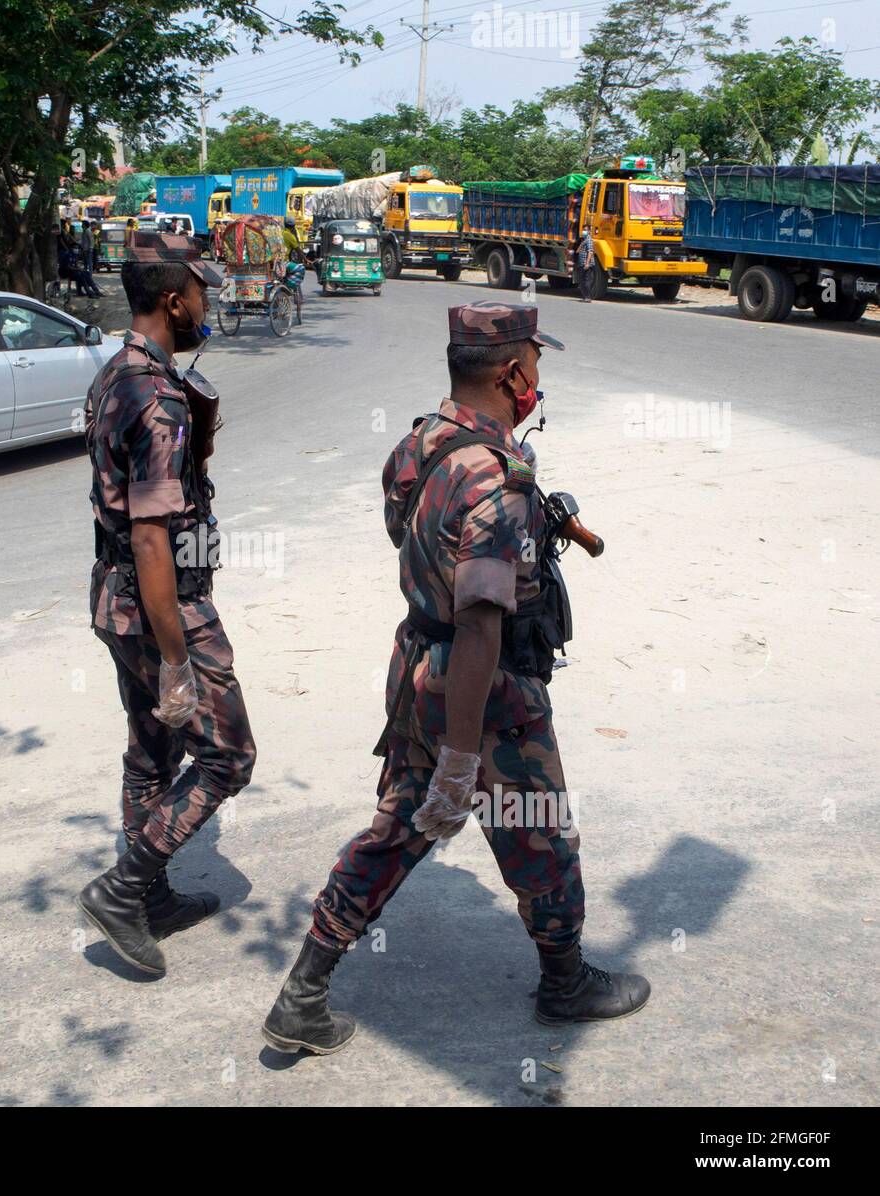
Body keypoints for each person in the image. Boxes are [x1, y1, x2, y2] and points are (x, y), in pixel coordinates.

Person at [260, 302, 649, 1054]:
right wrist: (464, 761)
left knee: (397, 830)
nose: (540, 378)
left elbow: (412, 547)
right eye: (536, 363)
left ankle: (302, 992)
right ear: (511, 374)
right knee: (540, 834)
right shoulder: (495, 480)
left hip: (419, 675)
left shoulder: (421, 445)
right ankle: (565, 981)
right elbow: (479, 622)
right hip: (487, 692)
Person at [77, 232, 256, 979]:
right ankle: (122, 890)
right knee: (226, 757)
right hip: (163, 608)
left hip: (118, 600)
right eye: (203, 292)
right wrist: (178, 658)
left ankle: (148, 897)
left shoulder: (118, 373)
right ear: (175, 299)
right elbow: (153, 539)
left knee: (151, 749)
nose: (207, 304)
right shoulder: (156, 399)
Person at [576, 227, 597, 302]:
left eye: (585, 230)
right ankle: (585, 297)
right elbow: (577, 251)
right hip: (582, 264)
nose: (583, 231)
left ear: (589, 231)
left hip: (587, 264)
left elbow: (590, 252)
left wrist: (587, 263)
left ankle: (588, 297)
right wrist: (581, 244)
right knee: (581, 281)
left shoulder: (589, 240)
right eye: (583, 230)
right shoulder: (584, 240)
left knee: (587, 281)